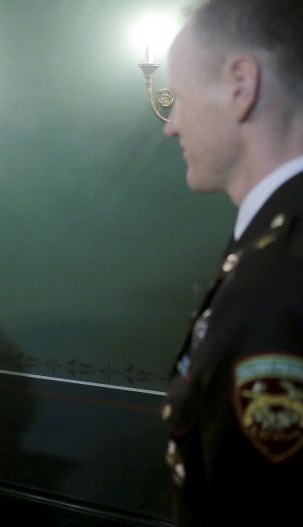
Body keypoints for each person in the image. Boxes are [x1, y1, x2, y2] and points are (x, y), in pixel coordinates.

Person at [161, 0, 303, 524]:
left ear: (241, 85)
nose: (170, 126)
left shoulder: (278, 276)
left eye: (178, 98)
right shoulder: (273, 243)